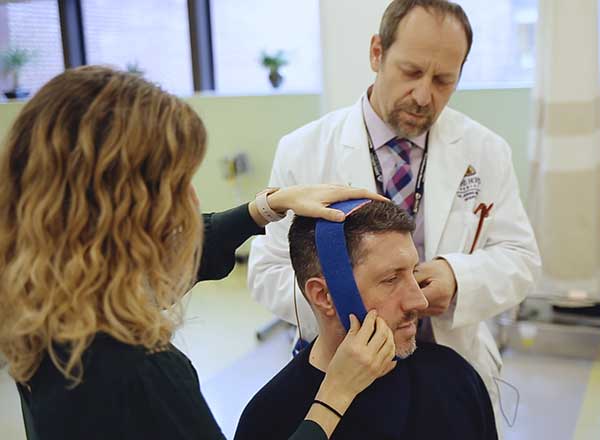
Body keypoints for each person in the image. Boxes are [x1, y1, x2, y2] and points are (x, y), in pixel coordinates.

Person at [0, 66, 396, 440]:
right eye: (180, 184)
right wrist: (335, 395)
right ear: (127, 214)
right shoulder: (143, 373)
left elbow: (176, 259)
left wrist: (265, 207)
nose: (193, 198)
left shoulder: (38, 307)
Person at [247, 0, 541, 424]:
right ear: (376, 53)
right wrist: (356, 301)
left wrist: (457, 278)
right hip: (344, 377)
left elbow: (521, 258)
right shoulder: (305, 150)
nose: (424, 96)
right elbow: (268, 272)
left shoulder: (486, 151)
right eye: (411, 72)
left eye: (444, 80)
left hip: (452, 367)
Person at [236, 200, 498, 440]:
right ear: (324, 295)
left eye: (413, 272)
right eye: (391, 279)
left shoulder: (455, 378)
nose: (420, 301)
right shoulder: (269, 419)